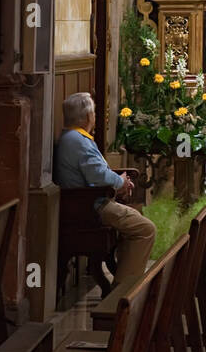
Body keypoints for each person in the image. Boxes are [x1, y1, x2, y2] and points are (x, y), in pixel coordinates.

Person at [54, 92, 155, 293]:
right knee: (145, 229)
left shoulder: (72, 137)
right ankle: (123, 291)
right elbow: (99, 176)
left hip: (88, 202)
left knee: (136, 221)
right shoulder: (78, 141)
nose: (95, 117)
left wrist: (120, 182)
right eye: (93, 113)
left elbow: (97, 172)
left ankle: (125, 279)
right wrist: (121, 182)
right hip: (90, 208)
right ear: (86, 117)